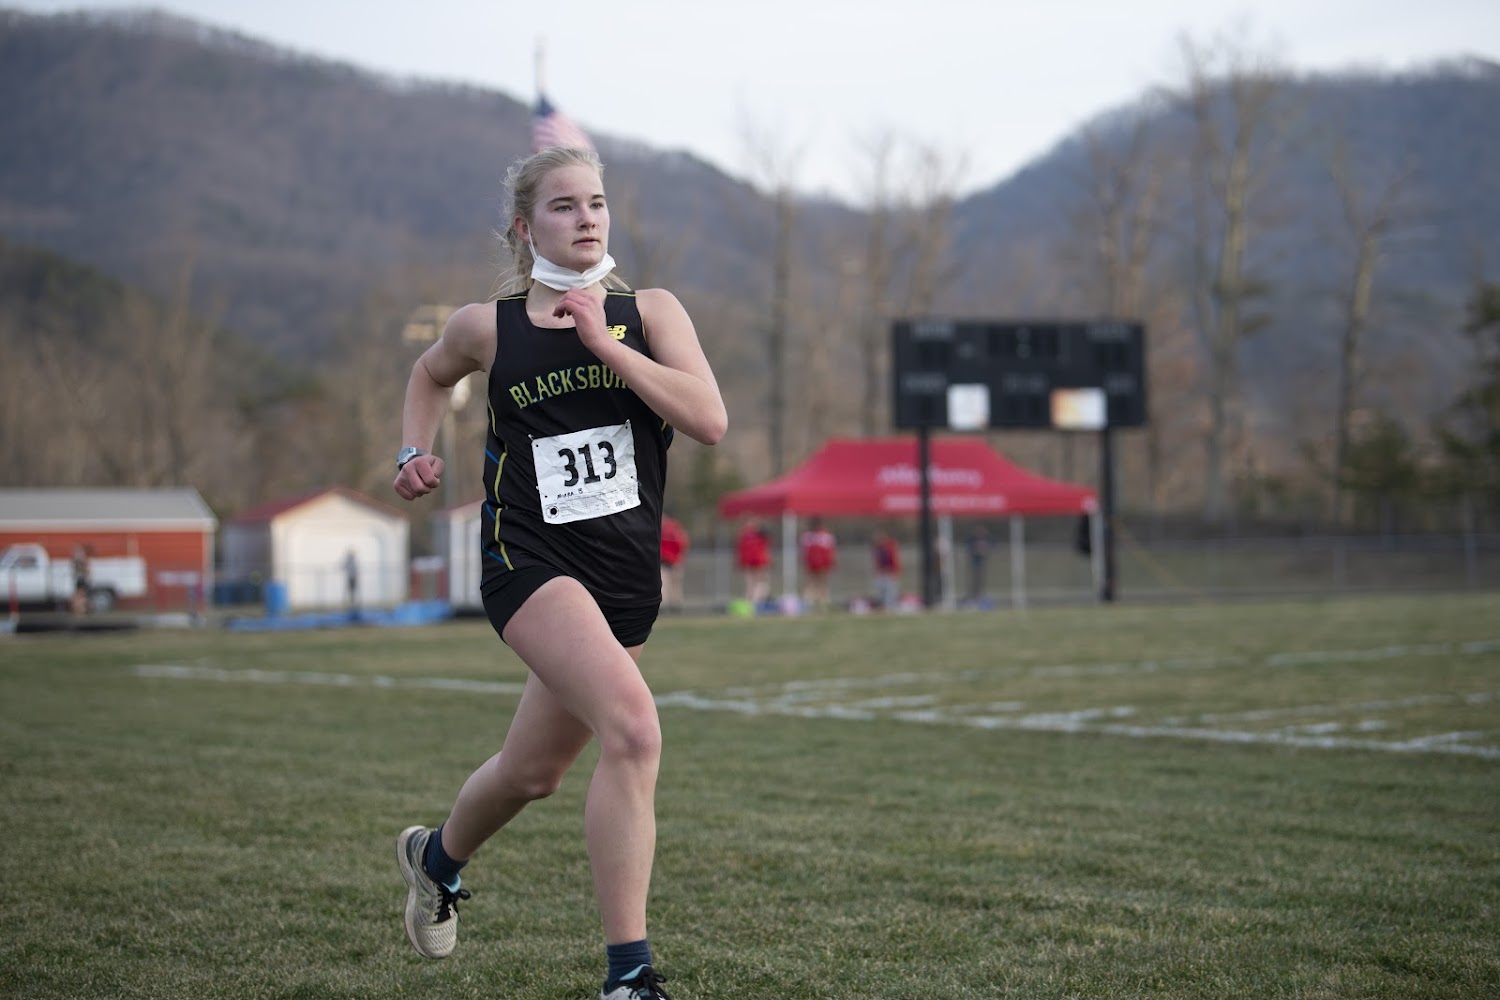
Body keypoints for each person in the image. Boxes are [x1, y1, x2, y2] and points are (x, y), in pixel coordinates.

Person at [391, 145, 726, 1000]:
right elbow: (429, 374)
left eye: (597, 203)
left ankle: (436, 861)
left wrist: (605, 343)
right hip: (529, 561)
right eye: (564, 205)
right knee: (635, 732)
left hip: (624, 579)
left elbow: (709, 420)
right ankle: (628, 976)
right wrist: (411, 450)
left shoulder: (650, 313)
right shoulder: (489, 328)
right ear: (524, 227)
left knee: (531, 773)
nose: (586, 218)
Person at [798, 516, 837, 613]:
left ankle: (820, 604)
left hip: (820, 564)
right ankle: (812, 604)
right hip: (815, 564)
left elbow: (831, 550)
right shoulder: (809, 536)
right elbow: (803, 551)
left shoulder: (823, 535)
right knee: (815, 584)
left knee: (819, 584)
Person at [735, 517, 771, 607]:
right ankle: (753, 602)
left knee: (753, 583)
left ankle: (752, 601)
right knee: (755, 582)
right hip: (756, 561)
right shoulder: (750, 534)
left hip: (756, 561)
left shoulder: (747, 534)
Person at [659, 515, 689, 613]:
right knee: (671, 584)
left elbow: (681, 545)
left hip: (669, 560)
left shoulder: (668, 530)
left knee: (669, 584)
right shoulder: (675, 529)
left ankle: (671, 605)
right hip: (669, 560)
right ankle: (674, 605)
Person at [871, 530, 901, 610]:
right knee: (881, 590)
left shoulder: (890, 546)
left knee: (890, 591)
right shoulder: (877, 548)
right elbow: (877, 562)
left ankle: (891, 607)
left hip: (890, 572)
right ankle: (883, 606)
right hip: (882, 572)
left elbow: (895, 560)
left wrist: (894, 572)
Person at [70, 544, 90, 616]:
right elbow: (86, 572)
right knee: (80, 596)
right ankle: (80, 610)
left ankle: (80, 611)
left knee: (80, 596)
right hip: (80, 580)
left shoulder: (81, 561)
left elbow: (86, 572)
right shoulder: (79, 561)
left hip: (81, 580)